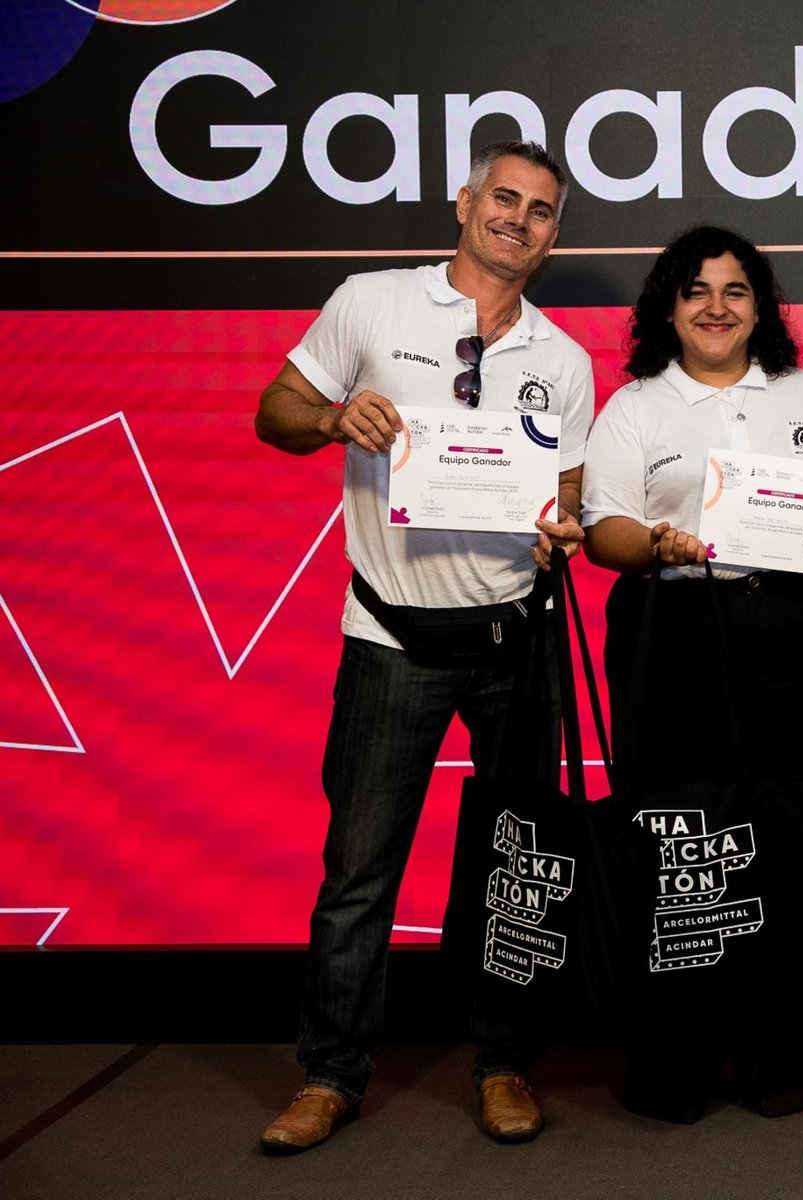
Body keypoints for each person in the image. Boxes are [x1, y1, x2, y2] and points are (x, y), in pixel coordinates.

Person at [253, 140, 594, 1152]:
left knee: (513, 872)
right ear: (463, 202)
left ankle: (502, 1064)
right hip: (390, 635)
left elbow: (566, 498)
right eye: (503, 198)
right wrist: (330, 417)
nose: (517, 220)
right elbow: (273, 412)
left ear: (553, 234)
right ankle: (330, 1075)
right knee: (360, 867)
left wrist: (561, 524)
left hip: (514, 643)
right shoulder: (371, 302)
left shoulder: (563, 359)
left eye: (539, 211)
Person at [582, 225, 803, 1122]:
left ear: (761, 307)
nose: (717, 307)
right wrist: (656, 542)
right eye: (697, 290)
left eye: (736, 290)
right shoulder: (634, 406)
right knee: (678, 841)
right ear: (668, 307)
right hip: (670, 627)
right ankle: (677, 1056)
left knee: (792, 837)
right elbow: (602, 530)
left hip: (787, 630)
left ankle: (780, 1054)